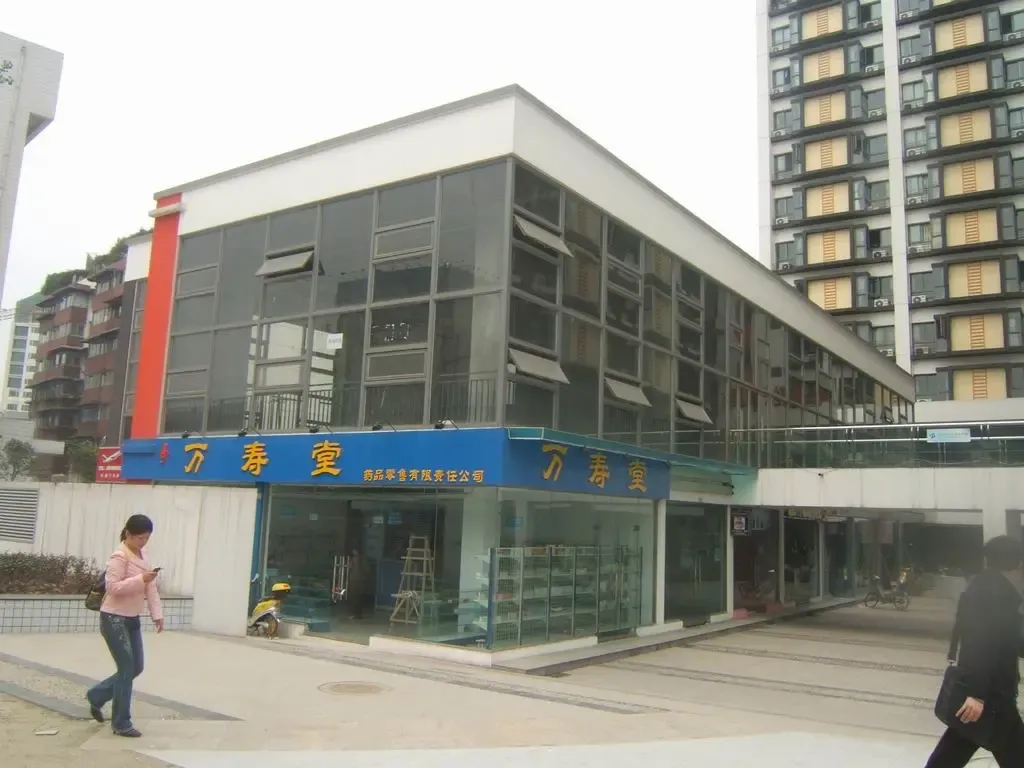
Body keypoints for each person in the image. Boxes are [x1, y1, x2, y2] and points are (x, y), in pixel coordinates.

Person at [925, 535, 1024, 767]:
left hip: (993, 695)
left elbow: (1009, 639)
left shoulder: (989, 589)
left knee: (954, 752)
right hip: (991, 695)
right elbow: (979, 644)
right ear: (1016, 563)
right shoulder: (993, 595)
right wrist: (976, 694)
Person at [85, 514, 163, 738]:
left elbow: (151, 589)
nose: (143, 542)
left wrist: (157, 615)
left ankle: (97, 695)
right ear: (128, 534)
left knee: (136, 666)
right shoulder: (119, 556)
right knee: (126, 669)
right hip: (114, 618)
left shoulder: (143, 555)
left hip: (132, 618)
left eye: (146, 538)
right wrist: (140, 579)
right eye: (139, 538)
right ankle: (121, 722)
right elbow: (113, 588)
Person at [348, 547, 369, 620]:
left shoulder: (353, 559)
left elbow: (349, 568)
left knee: (354, 598)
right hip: (361, 581)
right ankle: (359, 614)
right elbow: (367, 570)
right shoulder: (364, 559)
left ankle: (355, 614)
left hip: (354, 580)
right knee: (359, 598)